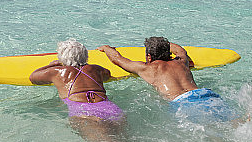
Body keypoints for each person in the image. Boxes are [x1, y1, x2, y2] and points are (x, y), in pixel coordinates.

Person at [29, 39, 138, 142]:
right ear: (85, 55)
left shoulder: (57, 72)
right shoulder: (96, 69)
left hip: (86, 113)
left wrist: (51, 65)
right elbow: (107, 75)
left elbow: (33, 77)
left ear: (62, 57)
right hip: (111, 109)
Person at [98, 37, 237, 120]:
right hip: (205, 94)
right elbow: (180, 50)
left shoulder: (147, 68)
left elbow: (118, 59)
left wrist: (106, 48)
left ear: (149, 57)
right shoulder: (182, 61)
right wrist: (162, 45)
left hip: (183, 103)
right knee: (230, 122)